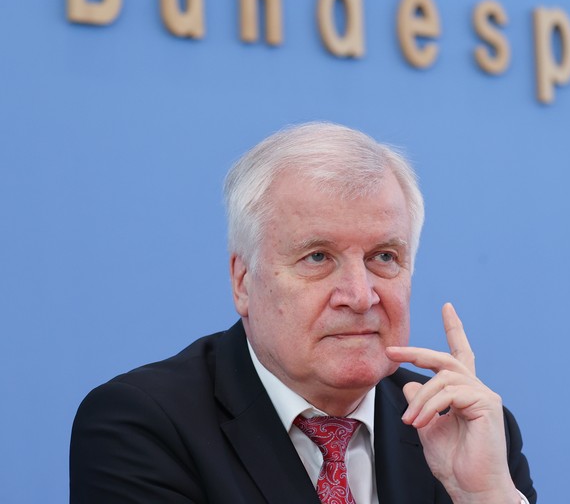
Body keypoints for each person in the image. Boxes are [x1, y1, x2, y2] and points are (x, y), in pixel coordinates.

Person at [70, 122, 536, 503]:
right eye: (318, 257)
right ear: (243, 282)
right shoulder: (143, 427)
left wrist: (483, 496)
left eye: (384, 257)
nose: (360, 295)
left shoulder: (470, 430)